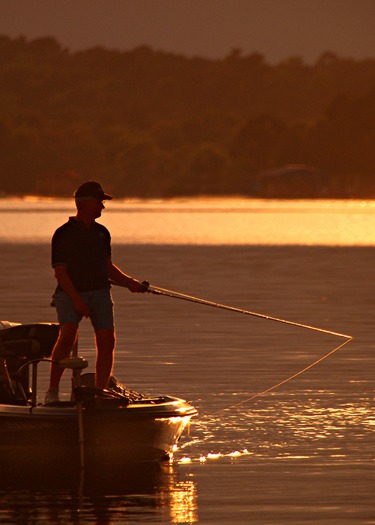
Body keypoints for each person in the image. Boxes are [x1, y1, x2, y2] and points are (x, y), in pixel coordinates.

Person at [45, 180, 147, 404]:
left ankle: (101, 392)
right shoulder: (63, 234)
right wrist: (77, 301)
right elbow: (61, 273)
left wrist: (131, 282)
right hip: (69, 293)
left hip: (100, 292)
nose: (103, 207)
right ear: (86, 203)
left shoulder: (102, 233)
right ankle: (52, 390)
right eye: (100, 202)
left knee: (107, 341)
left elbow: (108, 268)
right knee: (68, 336)